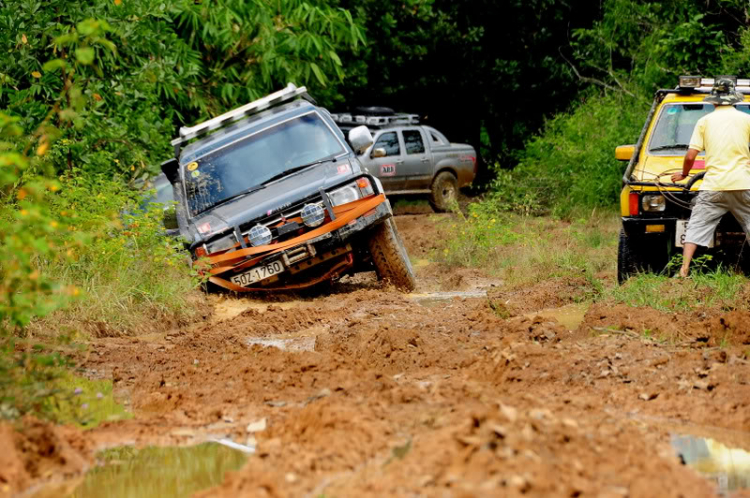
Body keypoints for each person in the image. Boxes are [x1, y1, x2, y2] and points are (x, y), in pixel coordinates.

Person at [671, 78, 750, 277]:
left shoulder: (704, 122)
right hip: (743, 183)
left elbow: (690, 155)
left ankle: (684, 268)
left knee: (696, 226)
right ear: (734, 100)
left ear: (714, 101)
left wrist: (684, 174)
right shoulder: (746, 119)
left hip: (714, 185)